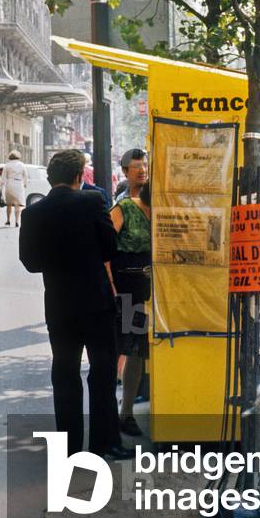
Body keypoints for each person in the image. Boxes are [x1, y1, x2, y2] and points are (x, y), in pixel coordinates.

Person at [19, 149, 131, 460]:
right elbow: (110, 246)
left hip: (60, 305)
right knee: (103, 372)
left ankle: (69, 448)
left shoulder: (32, 214)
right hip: (96, 302)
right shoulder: (92, 202)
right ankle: (104, 444)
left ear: (50, 178)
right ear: (79, 176)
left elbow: (30, 262)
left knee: (65, 373)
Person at [109, 180, 151, 437]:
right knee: (121, 346)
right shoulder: (124, 208)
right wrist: (111, 286)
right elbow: (105, 249)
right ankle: (112, 412)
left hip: (150, 293)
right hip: (126, 291)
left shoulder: (165, 211)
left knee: (137, 349)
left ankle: (126, 412)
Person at [3, 150, 27, 227]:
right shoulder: (22, 164)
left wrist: (2, 185)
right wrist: (25, 184)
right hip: (19, 184)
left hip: (10, 183)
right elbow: (25, 175)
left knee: (9, 204)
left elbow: (3, 176)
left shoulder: (7, 165)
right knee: (17, 204)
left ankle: (8, 220)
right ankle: (17, 221)